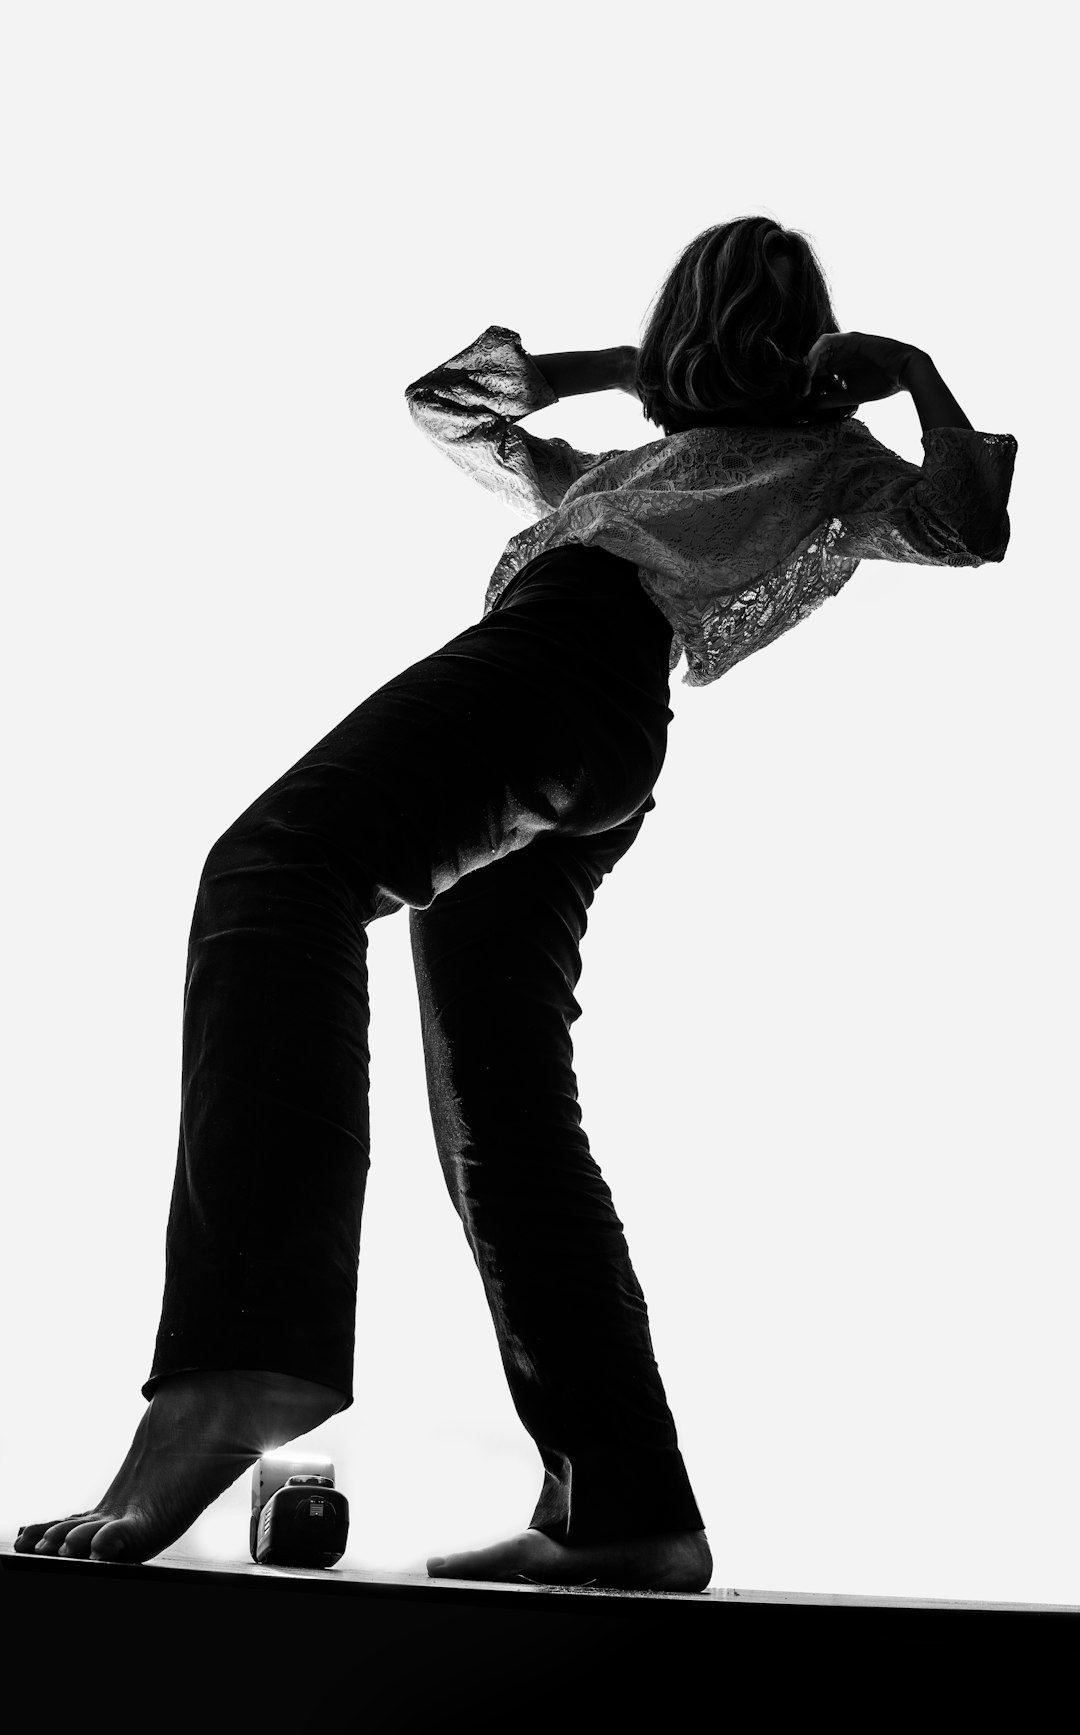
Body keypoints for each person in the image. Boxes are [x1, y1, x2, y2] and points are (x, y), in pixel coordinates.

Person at [16, 216, 1017, 1590]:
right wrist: (635, 361)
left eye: (764, 312)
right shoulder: (616, 469)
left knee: (274, 868)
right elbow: (443, 403)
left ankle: (242, 1365)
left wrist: (914, 377)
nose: (741, 326)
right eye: (719, 307)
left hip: (560, 688)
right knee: (504, 1114)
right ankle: (629, 1513)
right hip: (583, 738)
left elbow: (970, 524)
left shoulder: (830, 464)